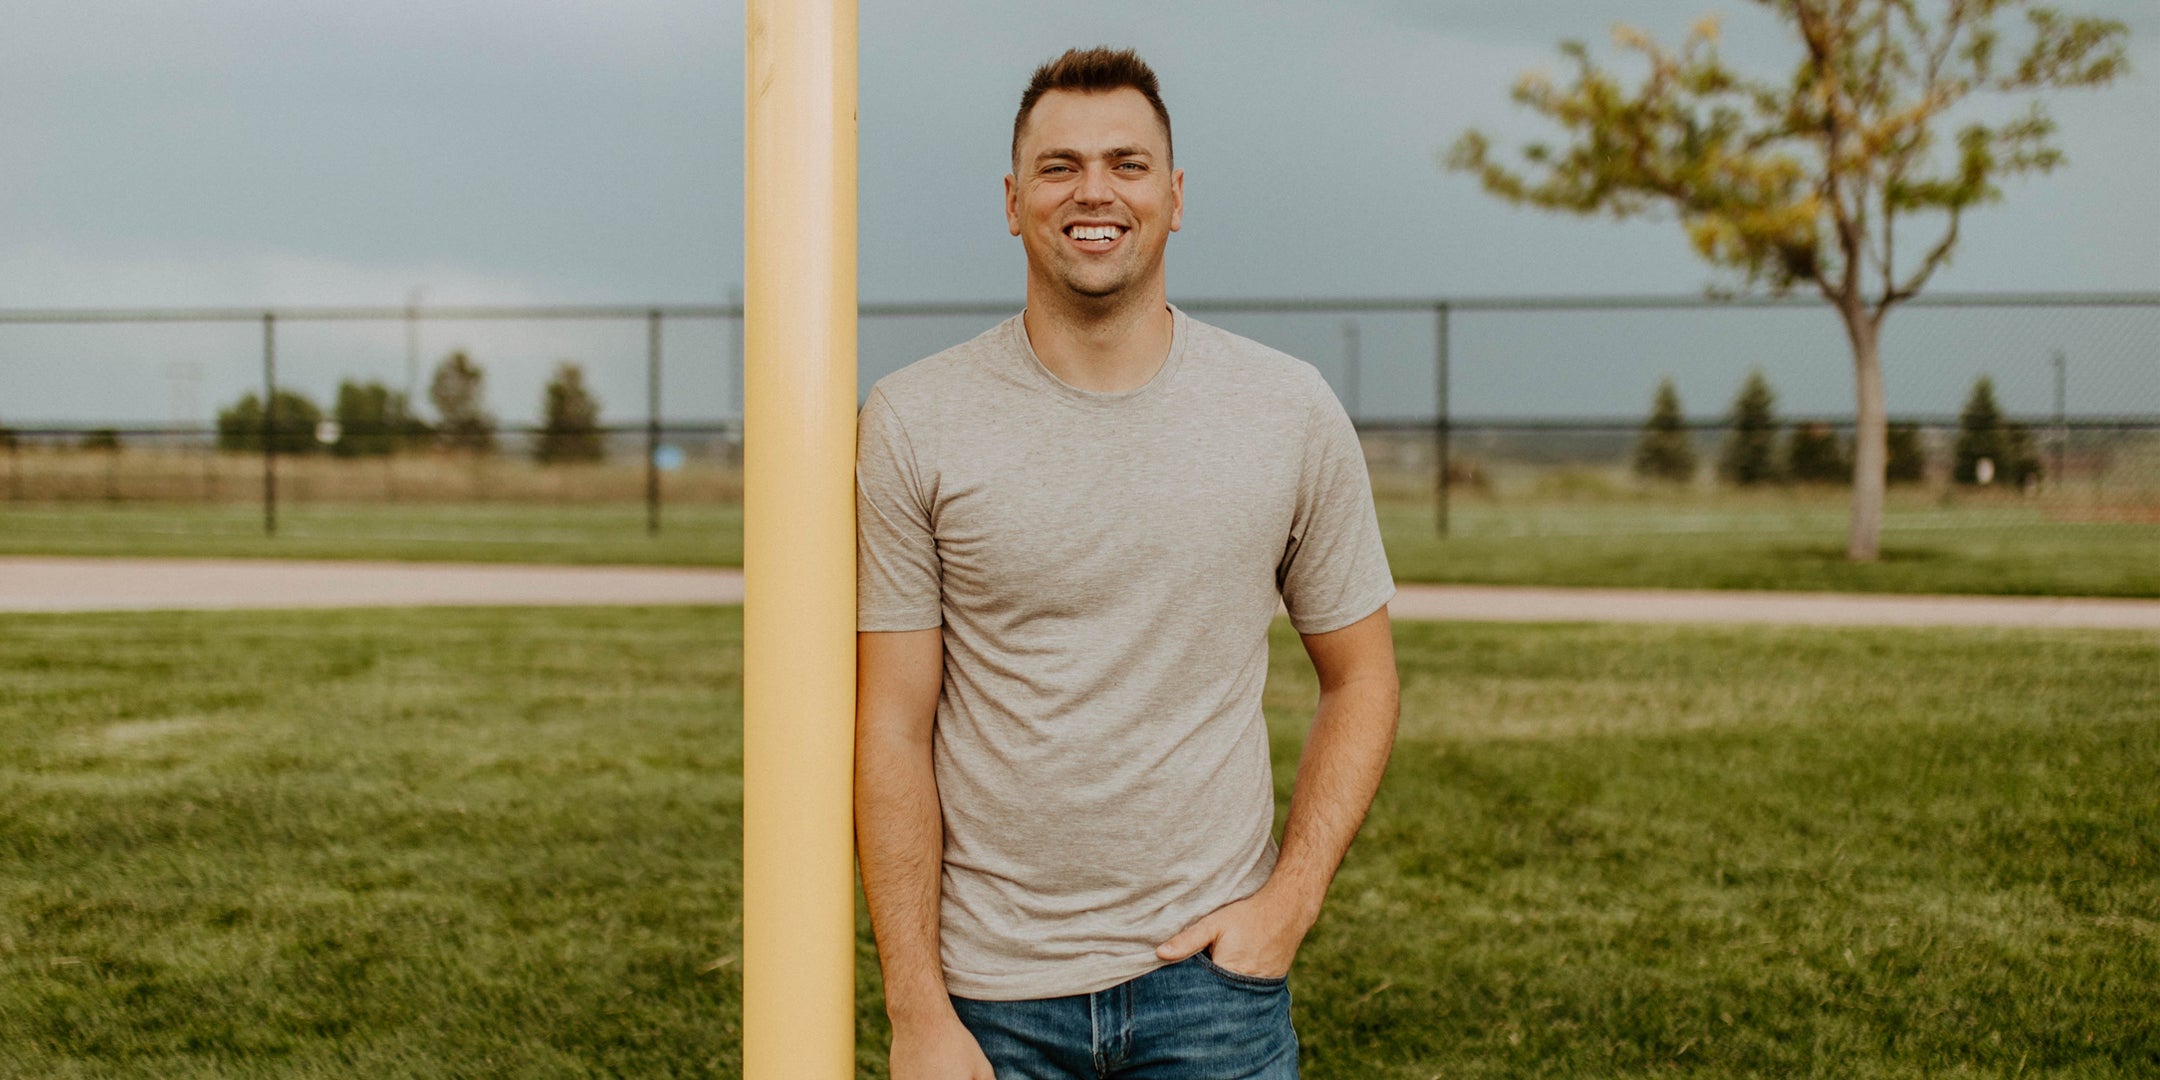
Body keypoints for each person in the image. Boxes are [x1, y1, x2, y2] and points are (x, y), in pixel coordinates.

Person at [855, 46, 1400, 1080]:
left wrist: (1290, 902)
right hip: (992, 997)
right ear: (1012, 202)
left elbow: (1363, 676)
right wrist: (916, 1010)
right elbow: (891, 723)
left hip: (1213, 991)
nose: (1093, 190)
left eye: (1127, 163)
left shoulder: (1288, 411)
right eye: (1059, 167)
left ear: (1176, 197)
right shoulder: (913, 420)